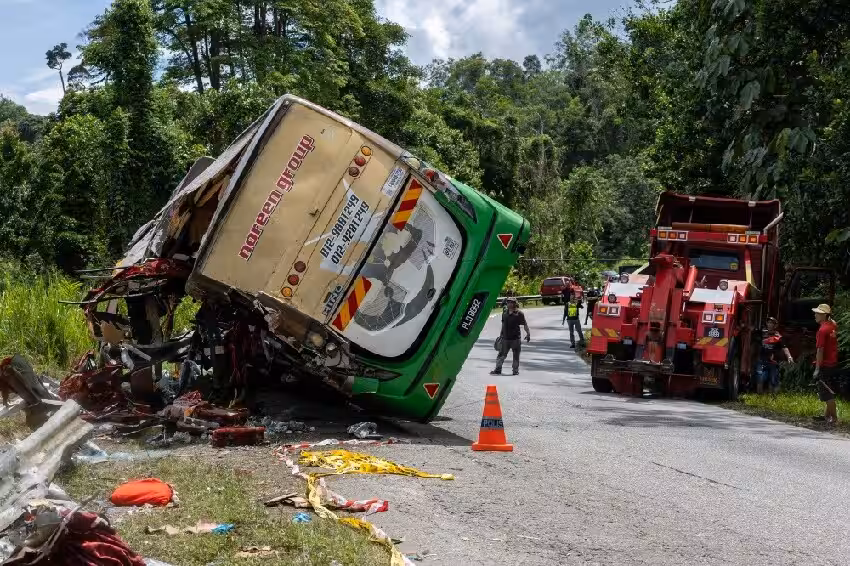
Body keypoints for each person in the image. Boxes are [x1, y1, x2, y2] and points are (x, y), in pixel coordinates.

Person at [812, 304, 840, 425]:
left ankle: (834, 419)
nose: (815, 315)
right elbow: (833, 321)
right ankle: (826, 416)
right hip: (833, 363)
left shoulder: (822, 330)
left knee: (827, 393)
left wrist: (817, 368)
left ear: (824, 315)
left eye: (818, 313)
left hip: (825, 365)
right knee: (829, 390)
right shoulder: (832, 325)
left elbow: (820, 350)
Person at [491, 298, 530, 376]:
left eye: (512, 302)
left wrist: (528, 333)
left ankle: (515, 370)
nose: (510, 304)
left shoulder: (519, 314)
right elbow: (503, 324)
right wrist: (501, 335)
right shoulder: (505, 313)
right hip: (505, 338)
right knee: (501, 355)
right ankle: (498, 369)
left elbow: (525, 324)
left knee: (516, 355)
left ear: (515, 304)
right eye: (508, 302)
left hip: (516, 339)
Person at [755, 317, 793, 395]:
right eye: (768, 322)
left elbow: (784, 347)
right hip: (761, 360)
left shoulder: (778, 336)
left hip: (773, 362)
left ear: (775, 325)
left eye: (772, 323)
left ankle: (772, 397)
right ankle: (759, 397)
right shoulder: (762, 333)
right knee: (760, 379)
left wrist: (789, 357)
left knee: (772, 381)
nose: (769, 324)